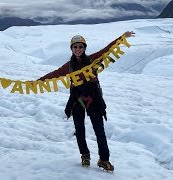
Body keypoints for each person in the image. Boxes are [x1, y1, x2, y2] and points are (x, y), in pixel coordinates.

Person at [37, 31, 135, 172]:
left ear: (84, 48)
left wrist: (122, 38)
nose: (78, 49)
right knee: (80, 130)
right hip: (77, 100)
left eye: (81, 47)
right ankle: (85, 155)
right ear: (71, 48)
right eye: (75, 46)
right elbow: (53, 75)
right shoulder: (68, 66)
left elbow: (107, 50)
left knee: (99, 131)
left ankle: (104, 159)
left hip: (94, 99)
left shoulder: (94, 59)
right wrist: (36, 82)